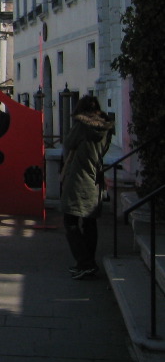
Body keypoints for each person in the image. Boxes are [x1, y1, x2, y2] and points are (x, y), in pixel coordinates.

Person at [61, 95, 114, 280]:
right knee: (90, 223)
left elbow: (68, 143)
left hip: (78, 178)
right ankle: (88, 261)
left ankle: (85, 262)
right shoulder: (106, 129)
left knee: (70, 222)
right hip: (95, 178)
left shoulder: (82, 126)